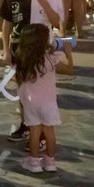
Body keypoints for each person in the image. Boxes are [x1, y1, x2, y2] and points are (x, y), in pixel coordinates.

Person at [0, 0, 63, 142]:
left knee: (42, 92)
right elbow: (7, 24)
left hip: (42, 49)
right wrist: (6, 49)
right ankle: (27, 124)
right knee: (23, 90)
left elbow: (56, 22)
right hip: (20, 48)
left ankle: (43, 132)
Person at [14, 24, 69, 173]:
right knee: (49, 132)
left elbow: (17, 79)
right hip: (49, 102)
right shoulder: (51, 59)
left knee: (34, 132)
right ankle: (50, 162)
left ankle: (34, 162)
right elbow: (70, 69)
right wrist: (68, 52)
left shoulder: (22, 58)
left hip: (31, 101)